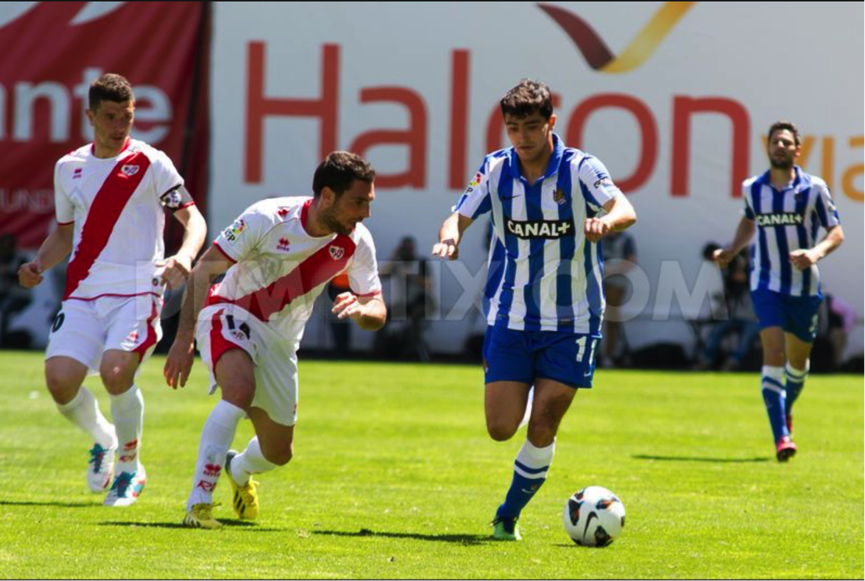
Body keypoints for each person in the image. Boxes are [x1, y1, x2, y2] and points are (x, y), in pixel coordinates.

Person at [432, 80, 637, 541]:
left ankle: (507, 515)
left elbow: (624, 207)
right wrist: (451, 235)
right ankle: (522, 395)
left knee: (544, 421)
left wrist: (607, 220)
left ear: (551, 123)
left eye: (530, 127)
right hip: (510, 315)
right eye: (512, 128)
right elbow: (457, 214)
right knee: (501, 428)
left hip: (574, 320)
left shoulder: (581, 168)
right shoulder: (495, 169)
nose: (521, 137)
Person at [164, 151, 387, 529]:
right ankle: (198, 503)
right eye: (358, 202)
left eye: (369, 202)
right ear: (327, 196)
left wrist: (364, 312)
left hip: (282, 341)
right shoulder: (267, 217)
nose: (366, 212)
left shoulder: (358, 241)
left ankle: (238, 468)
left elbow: (377, 308)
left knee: (278, 453)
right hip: (229, 311)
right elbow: (204, 270)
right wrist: (183, 337)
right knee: (238, 390)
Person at [17, 73, 207, 505]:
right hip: (84, 290)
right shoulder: (69, 168)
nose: (120, 125)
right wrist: (38, 264)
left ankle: (129, 466)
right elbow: (64, 235)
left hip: (140, 288)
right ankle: (104, 438)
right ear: (90, 117)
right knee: (59, 381)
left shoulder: (151, 162)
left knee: (116, 372)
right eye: (110, 116)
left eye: (128, 116)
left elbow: (193, 219)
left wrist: (185, 255)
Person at [713, 120, 844, 462]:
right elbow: (748, 220)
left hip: (804, 287)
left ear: (797, 150)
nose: (780, 147)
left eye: (787, 142)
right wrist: (733, 249)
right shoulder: (753, 188)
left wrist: (814, 253)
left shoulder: (814, 188)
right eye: (775, 142)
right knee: (773, 354)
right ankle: (781, 437)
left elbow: (836, 233)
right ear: (768, 147)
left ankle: (786, 408)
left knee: (797, 366)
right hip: (766, 283)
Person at [695, 245, 760, 371]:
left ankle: (733, 362)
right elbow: (728, 294)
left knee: (746, 339)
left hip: (752, 318)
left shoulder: (753, 278)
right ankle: (707, 360)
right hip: (734, 317)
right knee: (715, 333)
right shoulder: (727, 274)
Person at [379, 235, 432, 361]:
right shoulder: (398, 264)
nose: (407, 252)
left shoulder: (421, 262)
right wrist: (394, 256)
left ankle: (413, 355)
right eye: (405, 249)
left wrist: (411, 275)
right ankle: (379, 353)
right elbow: (381, 275)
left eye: (409, 248)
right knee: (380, 319)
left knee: (414, 326)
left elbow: (429, 284)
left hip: (419, 303)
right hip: (401, 304)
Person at [600, 230, 637, 367]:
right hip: (597, 280)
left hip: (616, 281)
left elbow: (631, 261)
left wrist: (612, 269)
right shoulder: (600, 235)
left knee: (611, 320)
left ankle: (608, 356)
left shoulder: (626, 238)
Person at [0, 234, 32, 346]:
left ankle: (3, 340)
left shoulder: (21, 259)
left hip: (20, 295)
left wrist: (7, 273)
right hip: (4, 294)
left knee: (5, 309)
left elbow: (23, 280)